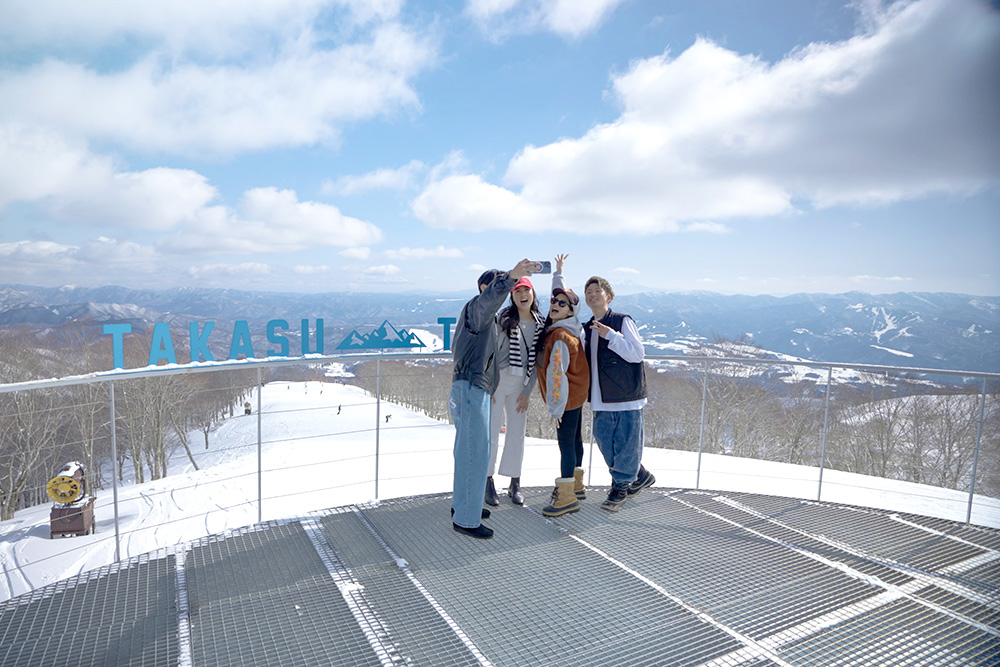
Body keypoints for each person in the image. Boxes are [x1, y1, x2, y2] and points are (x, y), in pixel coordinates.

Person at [451, 259, 537, 539]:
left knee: (468, 451)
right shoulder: (478, 309)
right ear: (486, 289)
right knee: (475, 453)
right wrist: (510, 277)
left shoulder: (479, 317)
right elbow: (489, 301)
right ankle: (466, 519)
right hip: (472, 387)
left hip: (473, 386)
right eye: (500, 287)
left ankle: (464, 506)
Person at [583, 275, 655, 512]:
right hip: (600, 398)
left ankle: (620, 486)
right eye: (589, 292)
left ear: (609, 297)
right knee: (605, 442)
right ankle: (640, 474)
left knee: (626, 443)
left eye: (598, 291)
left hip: (626, 397)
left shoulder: (622, 321)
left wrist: (612, 336)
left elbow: (637, 354)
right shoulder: (587, 328)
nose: (592, 295)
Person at [536, 254, 589, 517]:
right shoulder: (574, 328)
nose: (554, 304)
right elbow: (565, 297)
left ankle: (566, 497)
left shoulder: (559, 337)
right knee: (576, 439)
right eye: (553, 301)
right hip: (578, 396)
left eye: (562, 303)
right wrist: (558, 272)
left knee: (565, 444)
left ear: (570, 311)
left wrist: (555, 408)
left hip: (566, 399)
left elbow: (557, 376)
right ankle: (577, 486)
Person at [486, 275, 544, 506]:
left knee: (517, 434)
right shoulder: (504, 320)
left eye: (526, 291)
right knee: (491, 433)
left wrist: (528, 392)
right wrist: (491, 382)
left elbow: (539, 361)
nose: (523, 295)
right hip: (498, 383)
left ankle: (514, 482)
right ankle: (487, 480)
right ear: (512, 295)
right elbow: (492, 352)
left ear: (533, 294)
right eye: (518, 291)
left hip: (521, 385)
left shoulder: (540, 323)